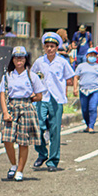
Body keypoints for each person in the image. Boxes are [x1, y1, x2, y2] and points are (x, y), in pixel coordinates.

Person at [30, 32, 76, 171]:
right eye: (47, 46)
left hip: (56, 98)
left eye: (52, 46)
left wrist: (69, 90)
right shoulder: (39, 61)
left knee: (55, 130)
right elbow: (32, 77)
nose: (50, 49)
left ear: (57, 48)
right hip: (42, 98)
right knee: (38, 127)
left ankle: (53, 161)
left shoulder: (62, 62)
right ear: (44, 47)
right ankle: (42, 153)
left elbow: (71, 76)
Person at [0, 46, 45, 182]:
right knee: (7, 139)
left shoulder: (32, 75)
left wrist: (31, 98)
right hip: (11, 107)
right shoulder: (7, 76)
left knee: (23, 141)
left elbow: (39, 96)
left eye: (22, 57)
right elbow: (2, 95)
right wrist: (5, 112)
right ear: (12, 59)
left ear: (26, 59)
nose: (19, 60)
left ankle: (20, 170)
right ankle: (13, 164)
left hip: (26, 107)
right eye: (16, 57)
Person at [73, 47, 98, 133]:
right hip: (83, 90)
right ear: (87, 56)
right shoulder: (81, 66)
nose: (92, 56)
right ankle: (88, 124)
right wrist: (75, 89)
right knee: (84, 109)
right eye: (90, 55)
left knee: (92, 108)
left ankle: (91, 126)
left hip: (95, 89)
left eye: (94, 55)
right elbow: (76, 77)